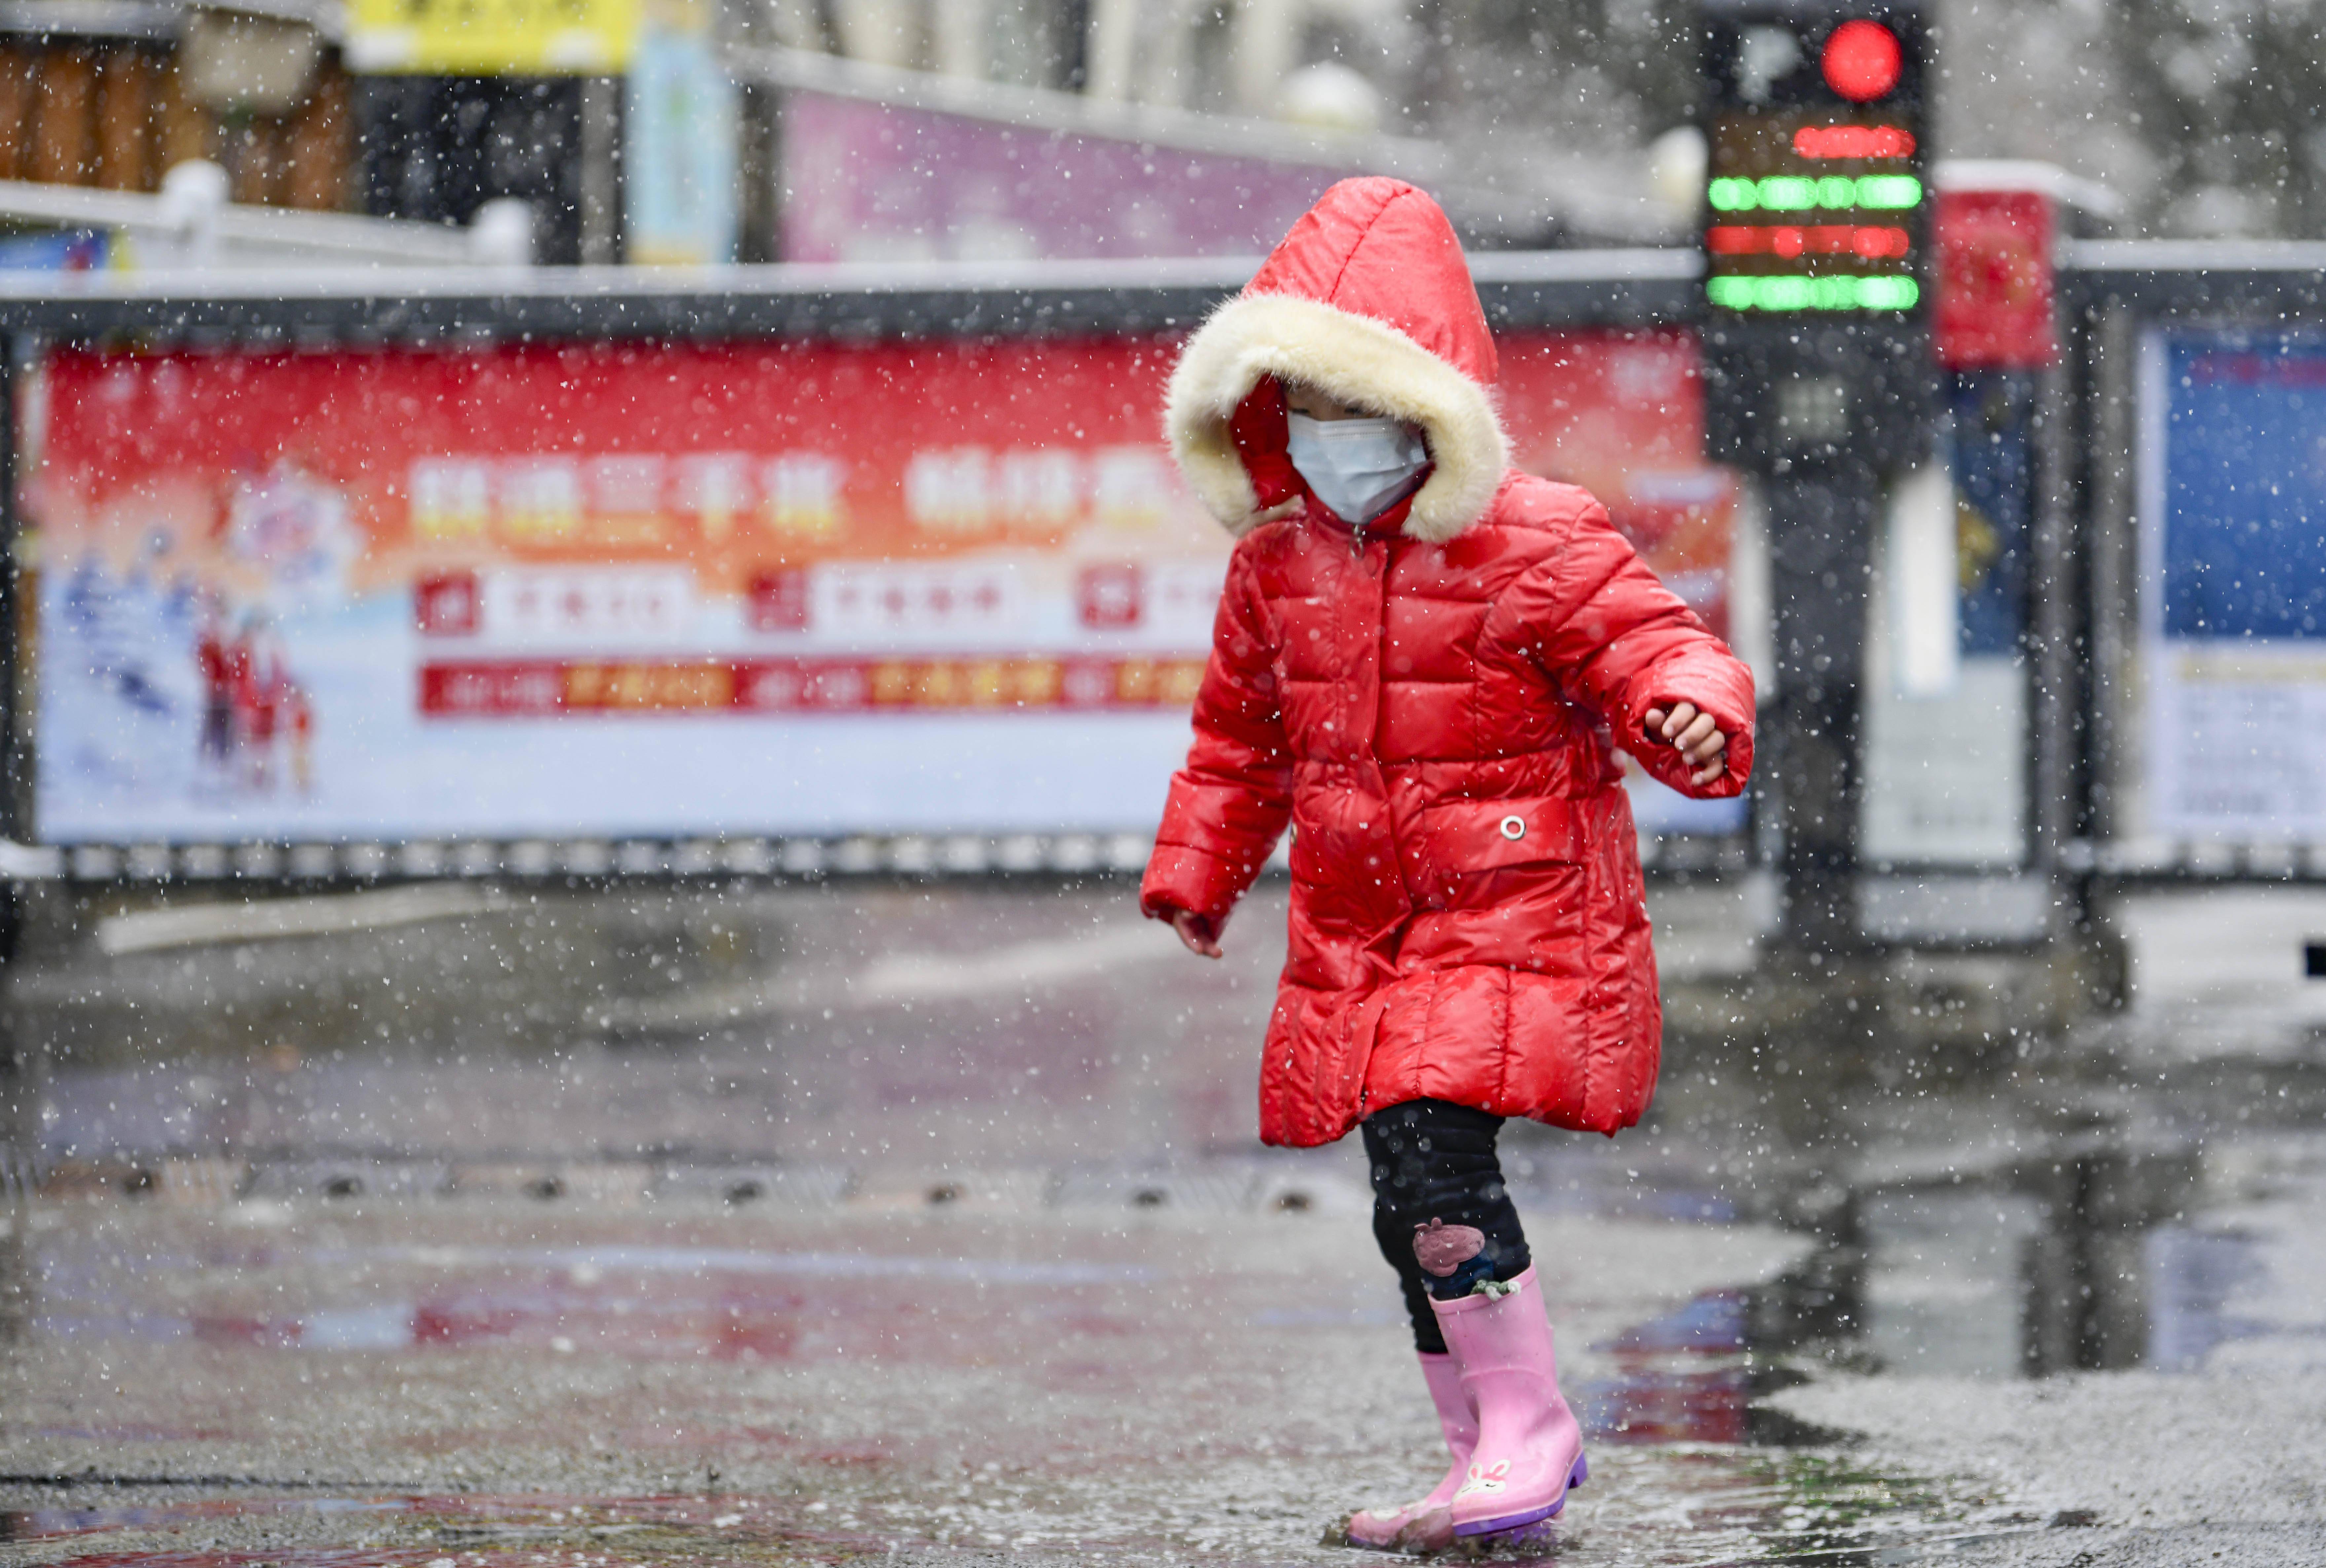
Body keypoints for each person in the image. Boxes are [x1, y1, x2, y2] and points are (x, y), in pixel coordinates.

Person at [1140, 178, 1755, 1551]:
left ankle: (1530, 1428)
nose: (1327, 434)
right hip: (1361, 932)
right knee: (1398, 1193)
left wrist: (1689, 715)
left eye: (1352, 401)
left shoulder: (1537, 536)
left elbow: (1665, 648)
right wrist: (1199, 867)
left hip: (1513, 912)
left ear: (1427, 404)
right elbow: (1239, 738)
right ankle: (1483, 1441)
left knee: (1428, 1153)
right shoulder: (1278, 567)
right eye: (1299, 400)